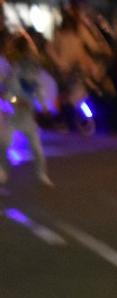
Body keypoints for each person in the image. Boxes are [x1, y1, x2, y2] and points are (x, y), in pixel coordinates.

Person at [0, 33, 55, 187]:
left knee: (37, 149)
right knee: (4, 143)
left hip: (28, 119)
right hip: (13, 116)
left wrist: (44, 107)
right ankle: (3, 171)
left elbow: (39, 91)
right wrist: (16, 102)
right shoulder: (14, 73)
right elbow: (7, 95)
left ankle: (42, 175)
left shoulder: (32, 74)